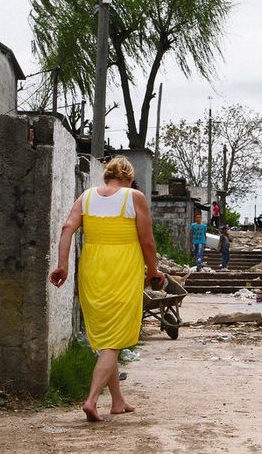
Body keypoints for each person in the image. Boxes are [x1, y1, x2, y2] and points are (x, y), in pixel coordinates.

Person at [49, 156, 164, 422]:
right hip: (122, 270)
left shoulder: (86, 197)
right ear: (128, 176)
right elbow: (147, 240)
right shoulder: (134, 197)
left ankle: (118, 401)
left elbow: (68, 228)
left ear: (106, 175)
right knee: (114, 339)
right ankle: (90, 400)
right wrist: (154, 270)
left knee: (106, 338)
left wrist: (62, 265)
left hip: (92, 269)